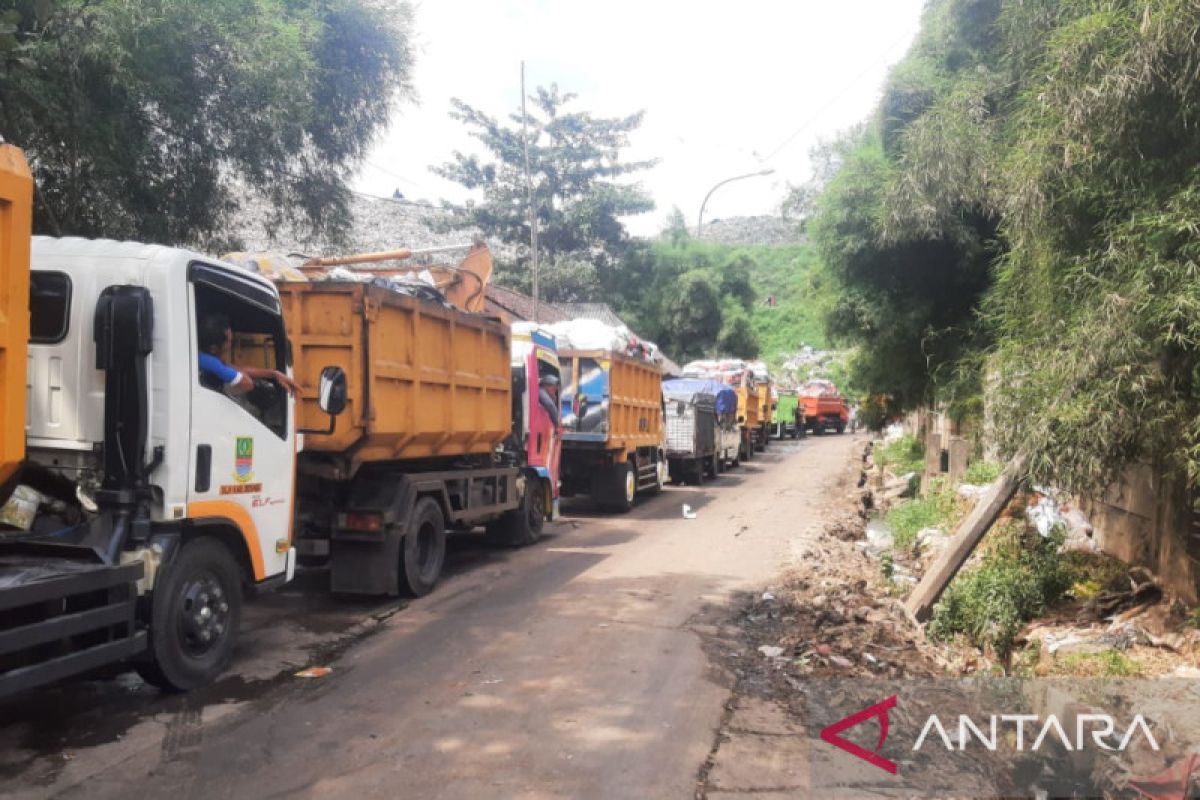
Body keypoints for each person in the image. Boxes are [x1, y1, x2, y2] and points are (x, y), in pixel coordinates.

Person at [198, 311, 298, 395]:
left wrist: (273, 374)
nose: (230, 344)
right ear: (213, 349)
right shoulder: (209, 362)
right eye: (229, 341)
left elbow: (228, 368)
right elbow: (247, 384)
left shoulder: (201, 358)